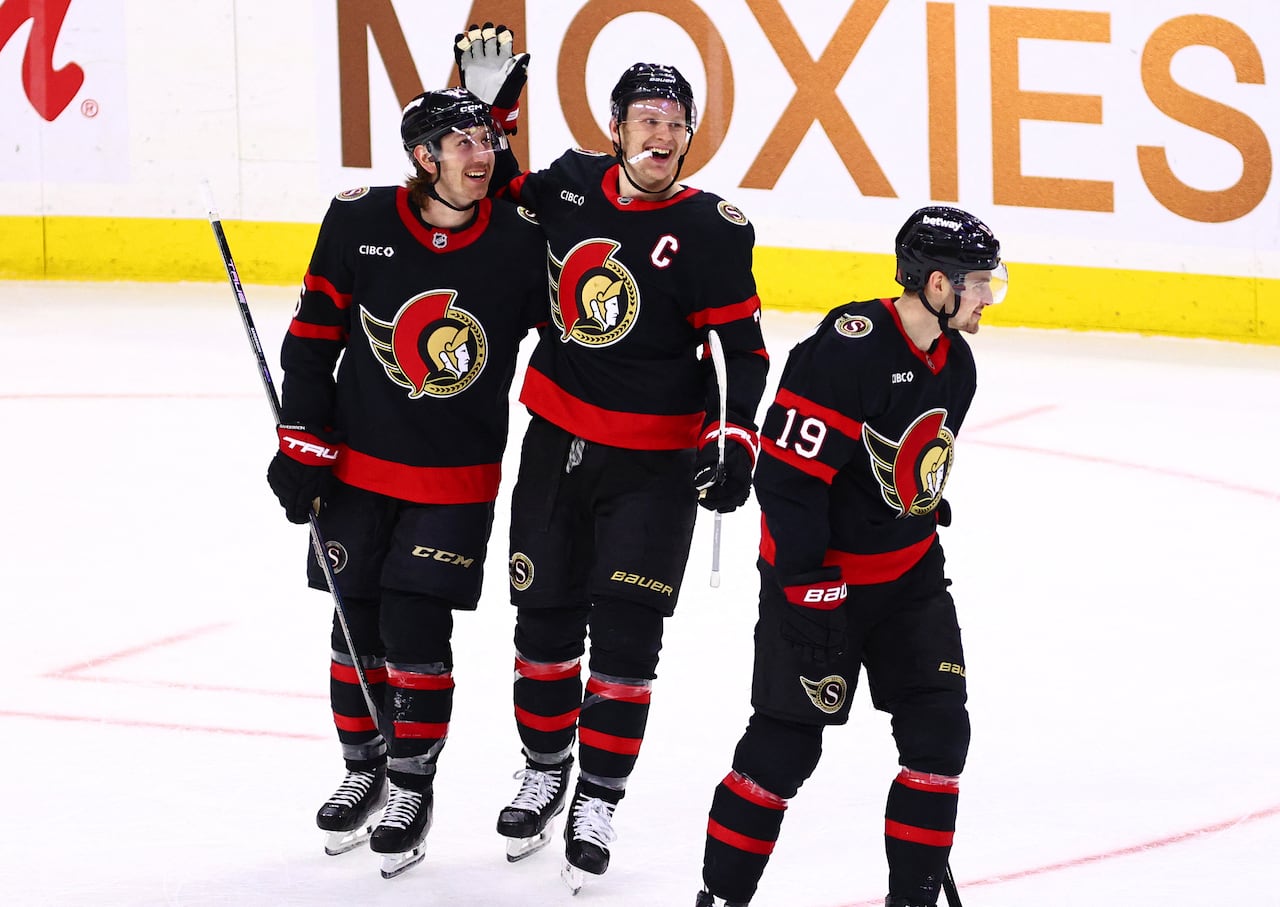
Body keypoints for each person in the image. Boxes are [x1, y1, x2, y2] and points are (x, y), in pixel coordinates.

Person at [453, 24, 770, 891]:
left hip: (655, 468)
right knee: (543, 624)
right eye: (646, 117)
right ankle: (545, 766)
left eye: (675, 120)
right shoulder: (568, 182)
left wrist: (735, 441)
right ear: (617, 126)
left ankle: (598, 794)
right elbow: (489, 187)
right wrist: (492, 105)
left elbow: (742, 350)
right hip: (555, 444)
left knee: (627, 641)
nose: (661, 134)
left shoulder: (711, 229)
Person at [264, 86, 546, 879]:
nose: (480, 155)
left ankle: (412, 786)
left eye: (486, 140)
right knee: (352, 625)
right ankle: (364, 763)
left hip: (455, 478)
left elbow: (577, 338)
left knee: (416, 631)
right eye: (461, 144)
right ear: (421, 161)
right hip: (358, 470)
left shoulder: (520, 240)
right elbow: (313, 341)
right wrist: (300, 445)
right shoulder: (358, 220)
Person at [693, 206, 1008, 907]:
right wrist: (804, 579)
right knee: (783, 749)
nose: (988, 297)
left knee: (939, 732)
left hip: (909, 578)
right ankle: (720, 897)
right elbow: (787, 478)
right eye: (980, 283)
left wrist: (914, 509)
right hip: (816, 583)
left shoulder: (957, 365)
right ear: (935, 283)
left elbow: (912, 465)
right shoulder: (847, 348)